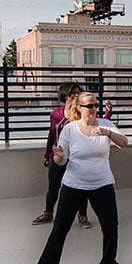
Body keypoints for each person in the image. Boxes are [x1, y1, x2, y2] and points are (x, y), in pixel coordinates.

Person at [33, 92, 128, 264]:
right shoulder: (70, 129)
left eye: (95, 105)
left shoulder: (106, 125)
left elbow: (124, 143)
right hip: (74, 184)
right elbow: (62, 160)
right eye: (89, 106)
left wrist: (107, 133)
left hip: (102, 184)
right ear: (80, 108)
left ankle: (108, 262)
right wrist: (58, 155)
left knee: (110, 225)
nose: (93, 109)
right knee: (60, 227)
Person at [33, 82, 112, 229]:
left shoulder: (80, 115)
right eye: (73, 93)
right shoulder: (56, 114)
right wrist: (47, 154)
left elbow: (97, 122)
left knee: (81, 187)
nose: (76, 95)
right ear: (65, 96)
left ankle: (82, 216)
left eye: (78, 92)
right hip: (58, 155)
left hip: (76, 157)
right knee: (53, 186)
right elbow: (51, 134)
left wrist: (108, 113)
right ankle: (48, 213)